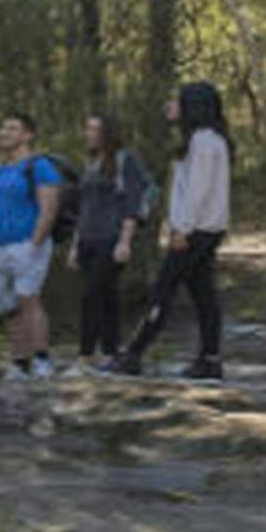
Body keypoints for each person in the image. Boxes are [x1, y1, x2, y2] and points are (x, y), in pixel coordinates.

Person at [107, 82, 231, 381]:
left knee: (164, 289)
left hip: (195, 230)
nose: (169, 106)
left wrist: (182, 229)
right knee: (203, 295)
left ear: (193, 105)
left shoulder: (203, 141)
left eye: (175, 101)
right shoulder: (206, 140)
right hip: (204, 229)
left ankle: (134, 354)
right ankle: (210, 359)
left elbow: (198, 191)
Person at [0, 111, 62, 381]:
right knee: (8, 308)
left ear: (28, 135)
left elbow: (49, 210)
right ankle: (18, 361)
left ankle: (41, 359)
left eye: (12, 129)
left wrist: (34, 244)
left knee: (29, 299)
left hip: (27, 244)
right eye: (3, 128)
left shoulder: (38, 167)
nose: (4, 133)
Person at [67, 113, 153, 367]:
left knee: (92, 294)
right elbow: (83, 206)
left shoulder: (126, 161)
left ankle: (85, 353)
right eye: (87, 128)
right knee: (106, 295)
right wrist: (74, 245)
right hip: (88, 238)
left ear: (108, 132)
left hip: (111, 237)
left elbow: (132, 201)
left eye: (94, 129)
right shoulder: (90, 163)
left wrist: (125, 240)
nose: (89, 133)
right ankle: (111, 350)